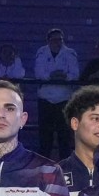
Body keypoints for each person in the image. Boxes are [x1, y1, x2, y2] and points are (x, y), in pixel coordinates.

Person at [34, 28, 79, 159]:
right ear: (48, 40)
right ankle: (43, 165)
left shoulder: (70, 53)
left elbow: (75, 74)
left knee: (64, 136)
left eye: (60, 40)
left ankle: (65, 166)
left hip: (64, 99)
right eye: (54, 40)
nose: (57, 42)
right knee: (45, 137)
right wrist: (51, 76)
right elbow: (39, 73)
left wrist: (64, 77)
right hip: (45, 99)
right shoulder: (41, 53)